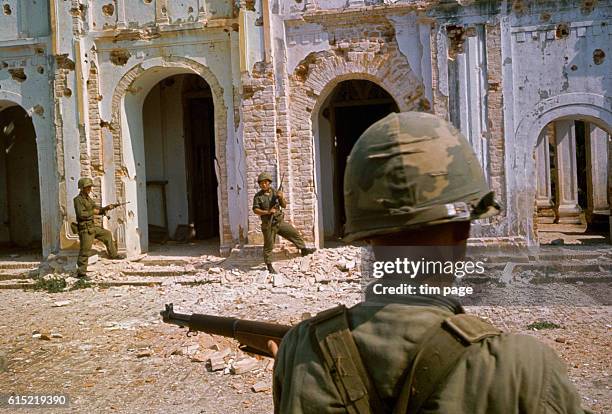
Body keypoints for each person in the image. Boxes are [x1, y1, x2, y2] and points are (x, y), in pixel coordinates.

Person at [268, 112, 590, 413]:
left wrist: (297, 363)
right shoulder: (523, 370)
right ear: (464, 229)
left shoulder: (301, 349)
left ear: (365, 235)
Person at [253, 172, 315, 274]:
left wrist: (281, 197)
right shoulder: (258, 196)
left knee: (293, 233)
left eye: (265, 183)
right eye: (261, 183)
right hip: (268, 224)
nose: (263, 185)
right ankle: (269, 265)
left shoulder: (275, 192)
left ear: (269, 183)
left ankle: (304, 250)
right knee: (269, 246)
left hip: (279, 222)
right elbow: (255, 210)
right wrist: (267, 212)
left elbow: (284, 205)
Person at [74, 177, 125, 278]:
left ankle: (113, 255)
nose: (89, 189)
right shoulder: (78, 200)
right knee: (85, 251)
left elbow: (97, 209)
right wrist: (94, 212)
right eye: (87, 187)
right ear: (82, 188)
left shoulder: (88, 199)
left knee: (106, 234)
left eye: (90, 187)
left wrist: (107, 208)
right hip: (85, 229)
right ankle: (81, 273)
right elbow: (81, 214)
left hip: (92, 227)